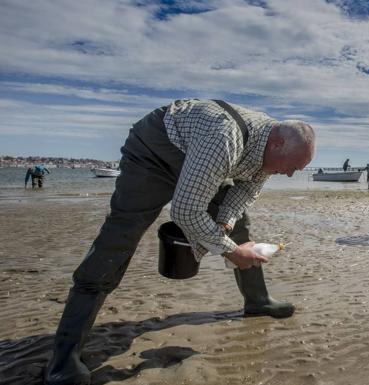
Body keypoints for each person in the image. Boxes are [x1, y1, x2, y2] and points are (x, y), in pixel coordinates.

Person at [44, 99, 316, 385]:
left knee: (240, 225)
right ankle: (64, 358)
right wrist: (231, 251)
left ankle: (258, 300)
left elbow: (244, 193)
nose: (289, 175)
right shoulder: (224, 138)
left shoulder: (267, 153)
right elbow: (186, 210)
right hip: (154, 154)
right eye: (292, 167)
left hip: (202, 156)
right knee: (118, 241)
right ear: (276, 146)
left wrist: (224, 226)